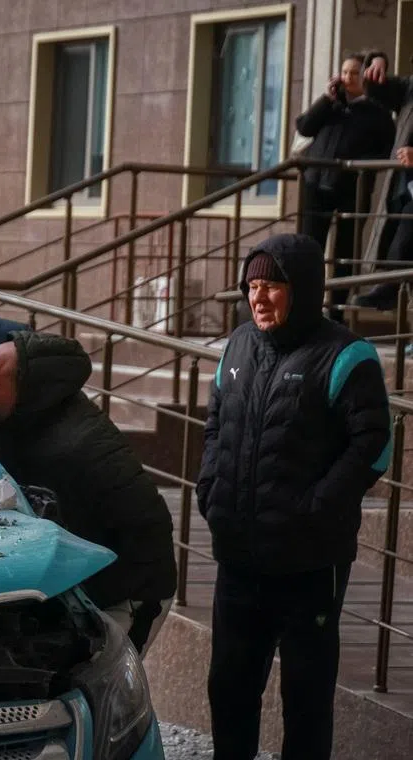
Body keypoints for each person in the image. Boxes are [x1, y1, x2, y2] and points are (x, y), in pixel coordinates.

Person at [197, 233, 391, 760]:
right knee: (230, 687)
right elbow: (215, 424)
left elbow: (375, 445)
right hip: (238, 555)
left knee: (305, 699)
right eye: (252, 287)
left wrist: (318, 508)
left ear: (303, 291)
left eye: (273, 287)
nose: (259, 299)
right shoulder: (237, 345)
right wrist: (209, 488)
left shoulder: (347, 355)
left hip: (309, 563)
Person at [0, 331, 177, 655]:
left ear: (30, 390)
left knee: (104, 683)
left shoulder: (85, 446)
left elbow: (149, 528)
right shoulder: (23, 420)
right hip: (76, 589)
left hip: (127, 596)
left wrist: (98, 601)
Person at [295, 53, 395, 319]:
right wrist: (327, 99)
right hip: (316, 184)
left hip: (353, 188)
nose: (347, 78)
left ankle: (336, 313)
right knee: (310, 248)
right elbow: (304, 127)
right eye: (344, 72)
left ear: (365, 77)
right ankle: (307, 308)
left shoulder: (377, 112)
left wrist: (355, 164)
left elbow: (385, 151)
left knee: (345, 253)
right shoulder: (332, 106)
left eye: (354, 73)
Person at [354, 51, 413, 310]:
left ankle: (388, 287)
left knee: (406, 234)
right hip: (404, 184)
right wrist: (377, 61)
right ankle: (390, 288)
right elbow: (376, 90)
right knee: (404, 239)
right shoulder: (409, 88)